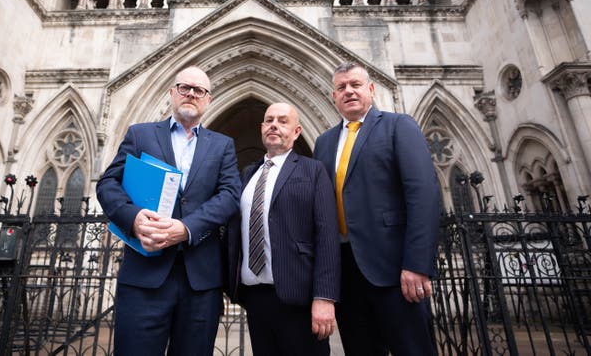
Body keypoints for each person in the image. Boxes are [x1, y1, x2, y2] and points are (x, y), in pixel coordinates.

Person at [96, 66, 241, 356]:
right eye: (184, 88)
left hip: (200, 282)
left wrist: (186, 229)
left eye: (198, 90)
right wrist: (133, 218)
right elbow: (108, 183)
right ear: (172, 93)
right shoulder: (140, 134)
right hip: (144, 278)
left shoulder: (223, 145)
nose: (191, 94)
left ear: (208, 99)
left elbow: (230, 195)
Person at [313, 63, 441, 356]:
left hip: (394, 269)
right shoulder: (324, 142)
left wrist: (417, 264)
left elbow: (423, 194)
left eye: (355, 85)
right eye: (342, 87)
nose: (349, 92)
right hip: (345, 272)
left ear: (370, 89)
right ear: (334, 97)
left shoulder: (398, 126)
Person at [226, 103, 340, 356]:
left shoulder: (312, 170)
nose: (274, 125)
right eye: (269, 120)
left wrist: (325, 297)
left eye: (283, 120)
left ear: (297, 131)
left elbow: (327, 237)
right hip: (255, 297)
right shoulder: (248, 173)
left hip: (298, 296)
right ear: (262, 128)